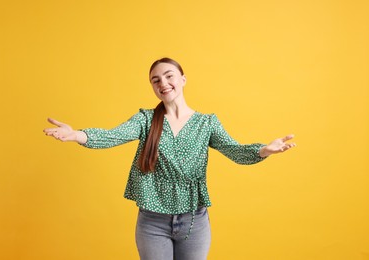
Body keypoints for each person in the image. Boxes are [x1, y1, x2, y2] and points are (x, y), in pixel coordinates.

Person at [43, 57, 296, 260]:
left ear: (183, 79)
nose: (162, 82)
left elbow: (234, 150)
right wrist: (77, 135)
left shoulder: (207, 123)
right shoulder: (145, 120)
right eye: (155, 80)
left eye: (168, 76)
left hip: (194, 222)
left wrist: (264, 150)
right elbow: (113, 136)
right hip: (152, 221)